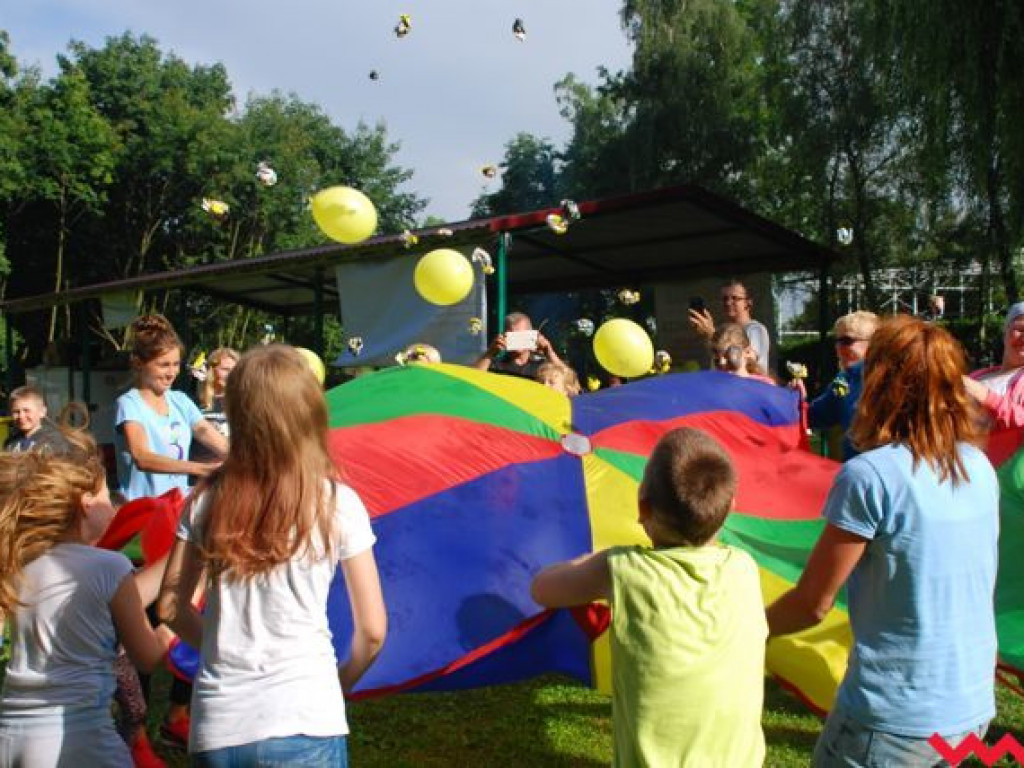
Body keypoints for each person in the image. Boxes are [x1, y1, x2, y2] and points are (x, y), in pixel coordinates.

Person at [767, 315, 997, 767]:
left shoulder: (871, 476)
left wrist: (739, 630)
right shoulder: (978, 466)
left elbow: (812, 602)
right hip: (969, 709)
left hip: (893, 722)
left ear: (881, 384)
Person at [158, 344, 387, 764]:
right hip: (306, 715)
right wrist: (341, 684)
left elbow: (171, 605)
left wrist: (217, 645)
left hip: (219, 723)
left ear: (238, 415)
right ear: (310, 412)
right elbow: (372, 631)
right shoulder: (338, 502)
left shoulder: (206, 500)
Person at [531, 427, 766, 767]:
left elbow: (542, 589)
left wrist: (591, 561)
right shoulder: (744, 568)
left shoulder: (624, 569)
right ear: (731, 508)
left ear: (643, 506)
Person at [0, 430, 172, 767]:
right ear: (86, 504)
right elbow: (148, 657)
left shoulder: (22, 562)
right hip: (78, 736)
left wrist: (181, 555)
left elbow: (113, 598)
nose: (115, 505)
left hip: (11, 735)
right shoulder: (108, 565)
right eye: (109, 494)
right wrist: (173, 625)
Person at [114, 314, 228, 501]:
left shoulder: (181, 401)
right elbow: (142, 457)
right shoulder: (129, 404)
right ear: (138, 364)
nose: (172, 373)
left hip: (176, 509)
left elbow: (207, 433)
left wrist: (243, 459)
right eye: (163, 365)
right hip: (142, 514)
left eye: (176, 364)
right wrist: (201, 469)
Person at [792, 311, 879, 461]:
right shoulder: (843, 380)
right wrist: (795, 399)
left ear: (873, 343)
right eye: (836, 341)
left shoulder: (891, 381)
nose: (838, 347)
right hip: (855, 468)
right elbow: (817, 415)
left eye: (846, 341)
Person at [964, 301, 1024, 466]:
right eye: (1019, 329)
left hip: (1002, 478)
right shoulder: (979, 375)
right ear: (1005, 332)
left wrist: (987, 397)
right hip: (960, 467)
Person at [689, 280, 770, 368]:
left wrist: (712, 334)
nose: (728, 303)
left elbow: (745, 363)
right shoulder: (723, 330)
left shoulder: (755, 329)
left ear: (748, 302)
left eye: (735, 298)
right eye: (725, 299)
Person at [474, 312, 564, 379]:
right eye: (512, 336)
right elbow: (473, 380)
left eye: (521, 335)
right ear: (504, 336)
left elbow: (570, 382)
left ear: (531, 335)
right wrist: (490, 353)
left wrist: (549, 352)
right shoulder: (496, 366)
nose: (517, 340)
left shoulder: (542, 366)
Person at [3, 385, 70, 454]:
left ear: (42, 412)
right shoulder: (10, 443)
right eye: (16, 412)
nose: (21, 416)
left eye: (26, 410)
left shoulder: (54, 441)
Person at [709, 323, 775, 384]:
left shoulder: (763, 385)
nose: (722, 363)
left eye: (729, 358)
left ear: (747, 352)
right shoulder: (715, 386)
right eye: (717, 361)